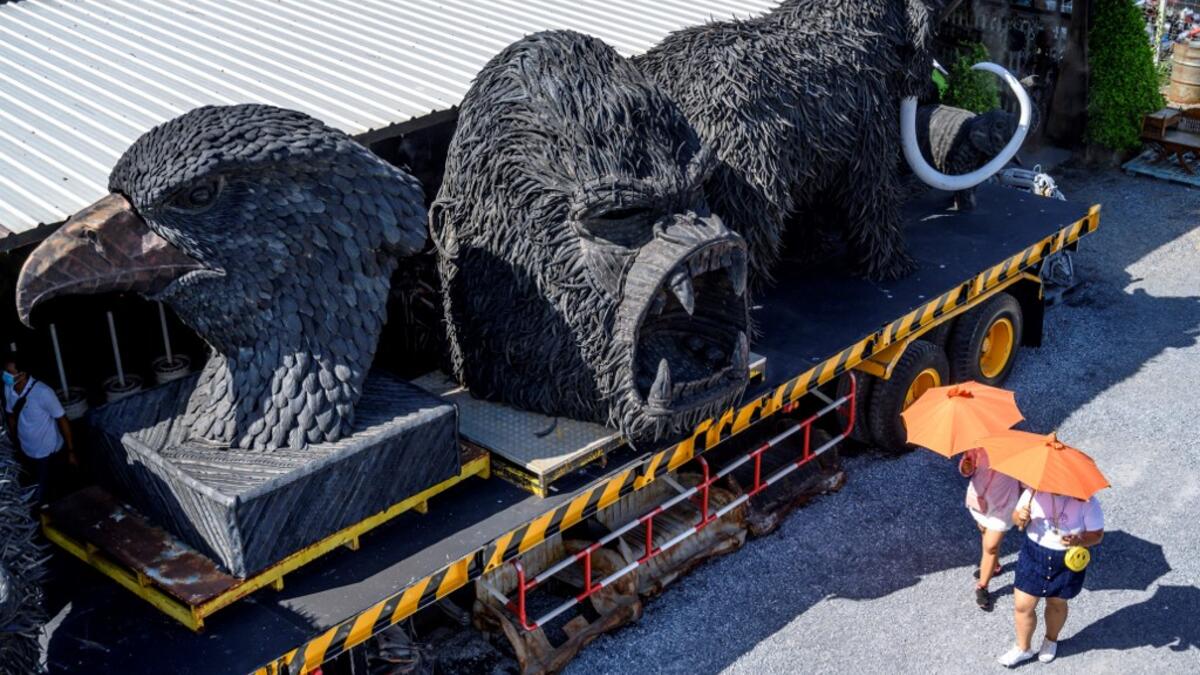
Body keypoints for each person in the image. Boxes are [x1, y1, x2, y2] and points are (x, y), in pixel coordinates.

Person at [997, 488, 1104, 666]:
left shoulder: (1087, 502)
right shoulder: (1033, 493)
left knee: (1056, 604)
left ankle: (1051, 639)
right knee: (1023, 606)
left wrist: (1079, 540)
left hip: (1065, 560)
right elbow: (1016, 518)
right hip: (1034, 554)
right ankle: (1023, 648)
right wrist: (1020, 517)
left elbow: (1097, 535)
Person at [4, 357, 74, 505]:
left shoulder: (43, 393)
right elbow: (10, 415)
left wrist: (71, 450)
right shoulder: (8, 388)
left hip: (48, 453)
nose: (5, 376)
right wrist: (15, 441)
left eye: (9, 373)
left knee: (50, 493)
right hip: (27, 451)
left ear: (22, 374)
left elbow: (62, 420)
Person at [959, 447, 1022, 611]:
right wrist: (966, 466)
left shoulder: (1017, 451)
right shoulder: (977, 446)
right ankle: (994, 566)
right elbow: (967, 470)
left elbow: (1026, 481)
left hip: (1003, 507)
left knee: (991, 546)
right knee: (984, 531)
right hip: (979, 502)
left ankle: (982, 586)